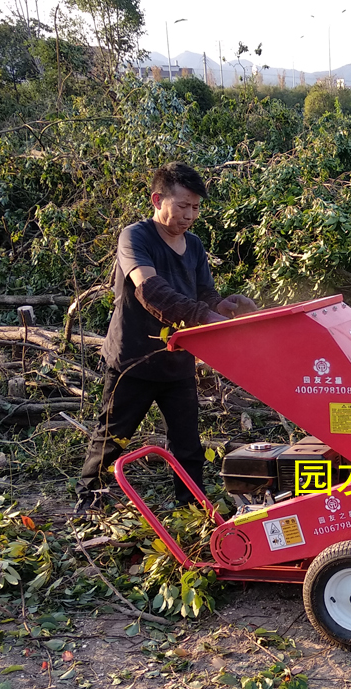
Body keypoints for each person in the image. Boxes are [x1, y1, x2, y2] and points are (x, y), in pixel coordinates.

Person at [74, 162, 257, 513]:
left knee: (187, 444)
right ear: (158, 199)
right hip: (134, 360)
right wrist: (204, 315)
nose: (190, 215)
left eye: (196, 208)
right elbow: (150, 290)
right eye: (183, 206)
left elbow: (203, 295)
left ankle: (192, 507)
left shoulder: (194, 245)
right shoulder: (135, 238)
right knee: (112, 436)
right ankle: (89, 502)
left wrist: (225, 304)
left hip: (177, 363)